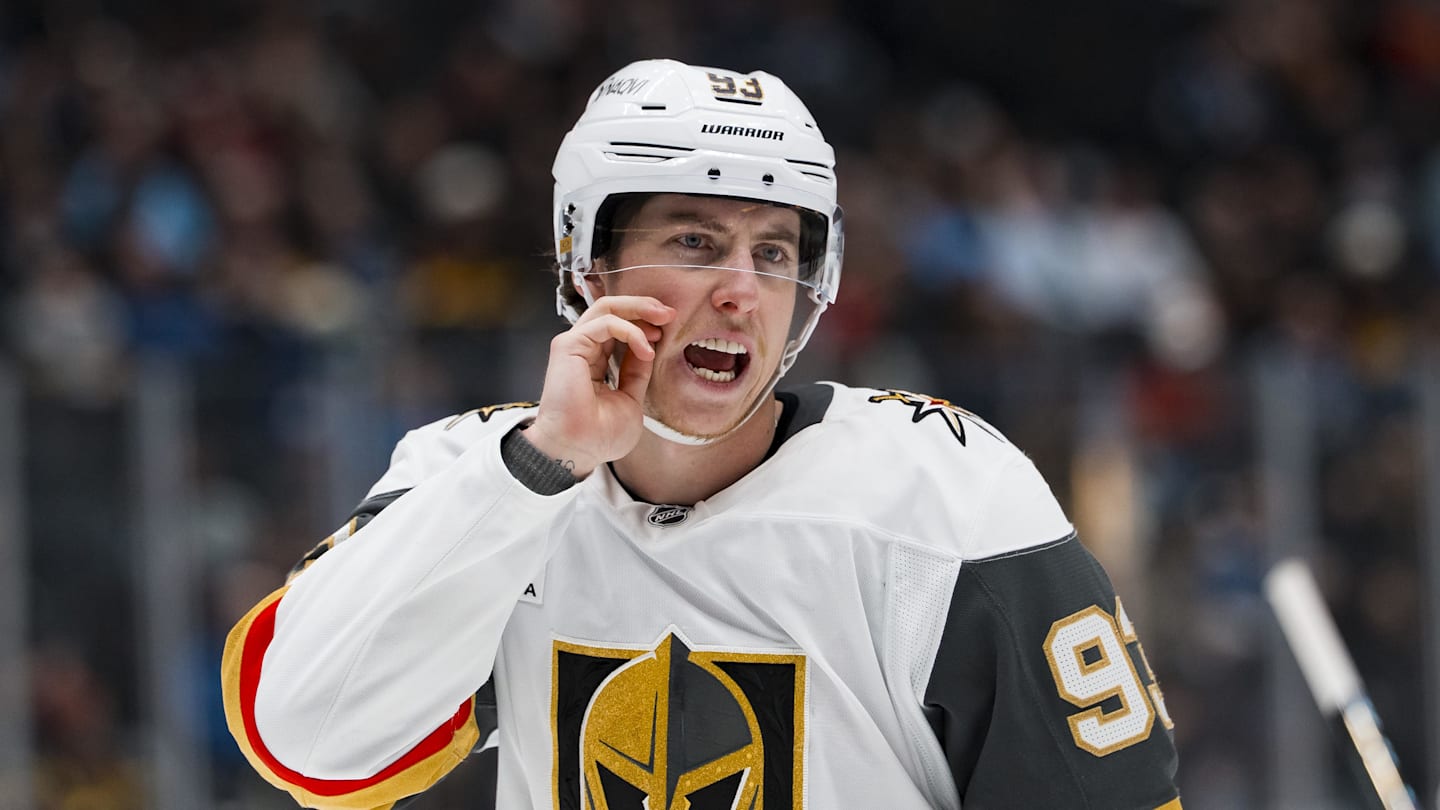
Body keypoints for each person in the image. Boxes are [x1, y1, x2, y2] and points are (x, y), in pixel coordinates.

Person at [221, 59, 1182, 810]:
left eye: (773, 252)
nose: (740, 289)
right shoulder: (473, 478)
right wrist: (535, 472)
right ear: (586, 262)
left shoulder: (947, 497)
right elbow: (307, 739)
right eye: (694, 242)